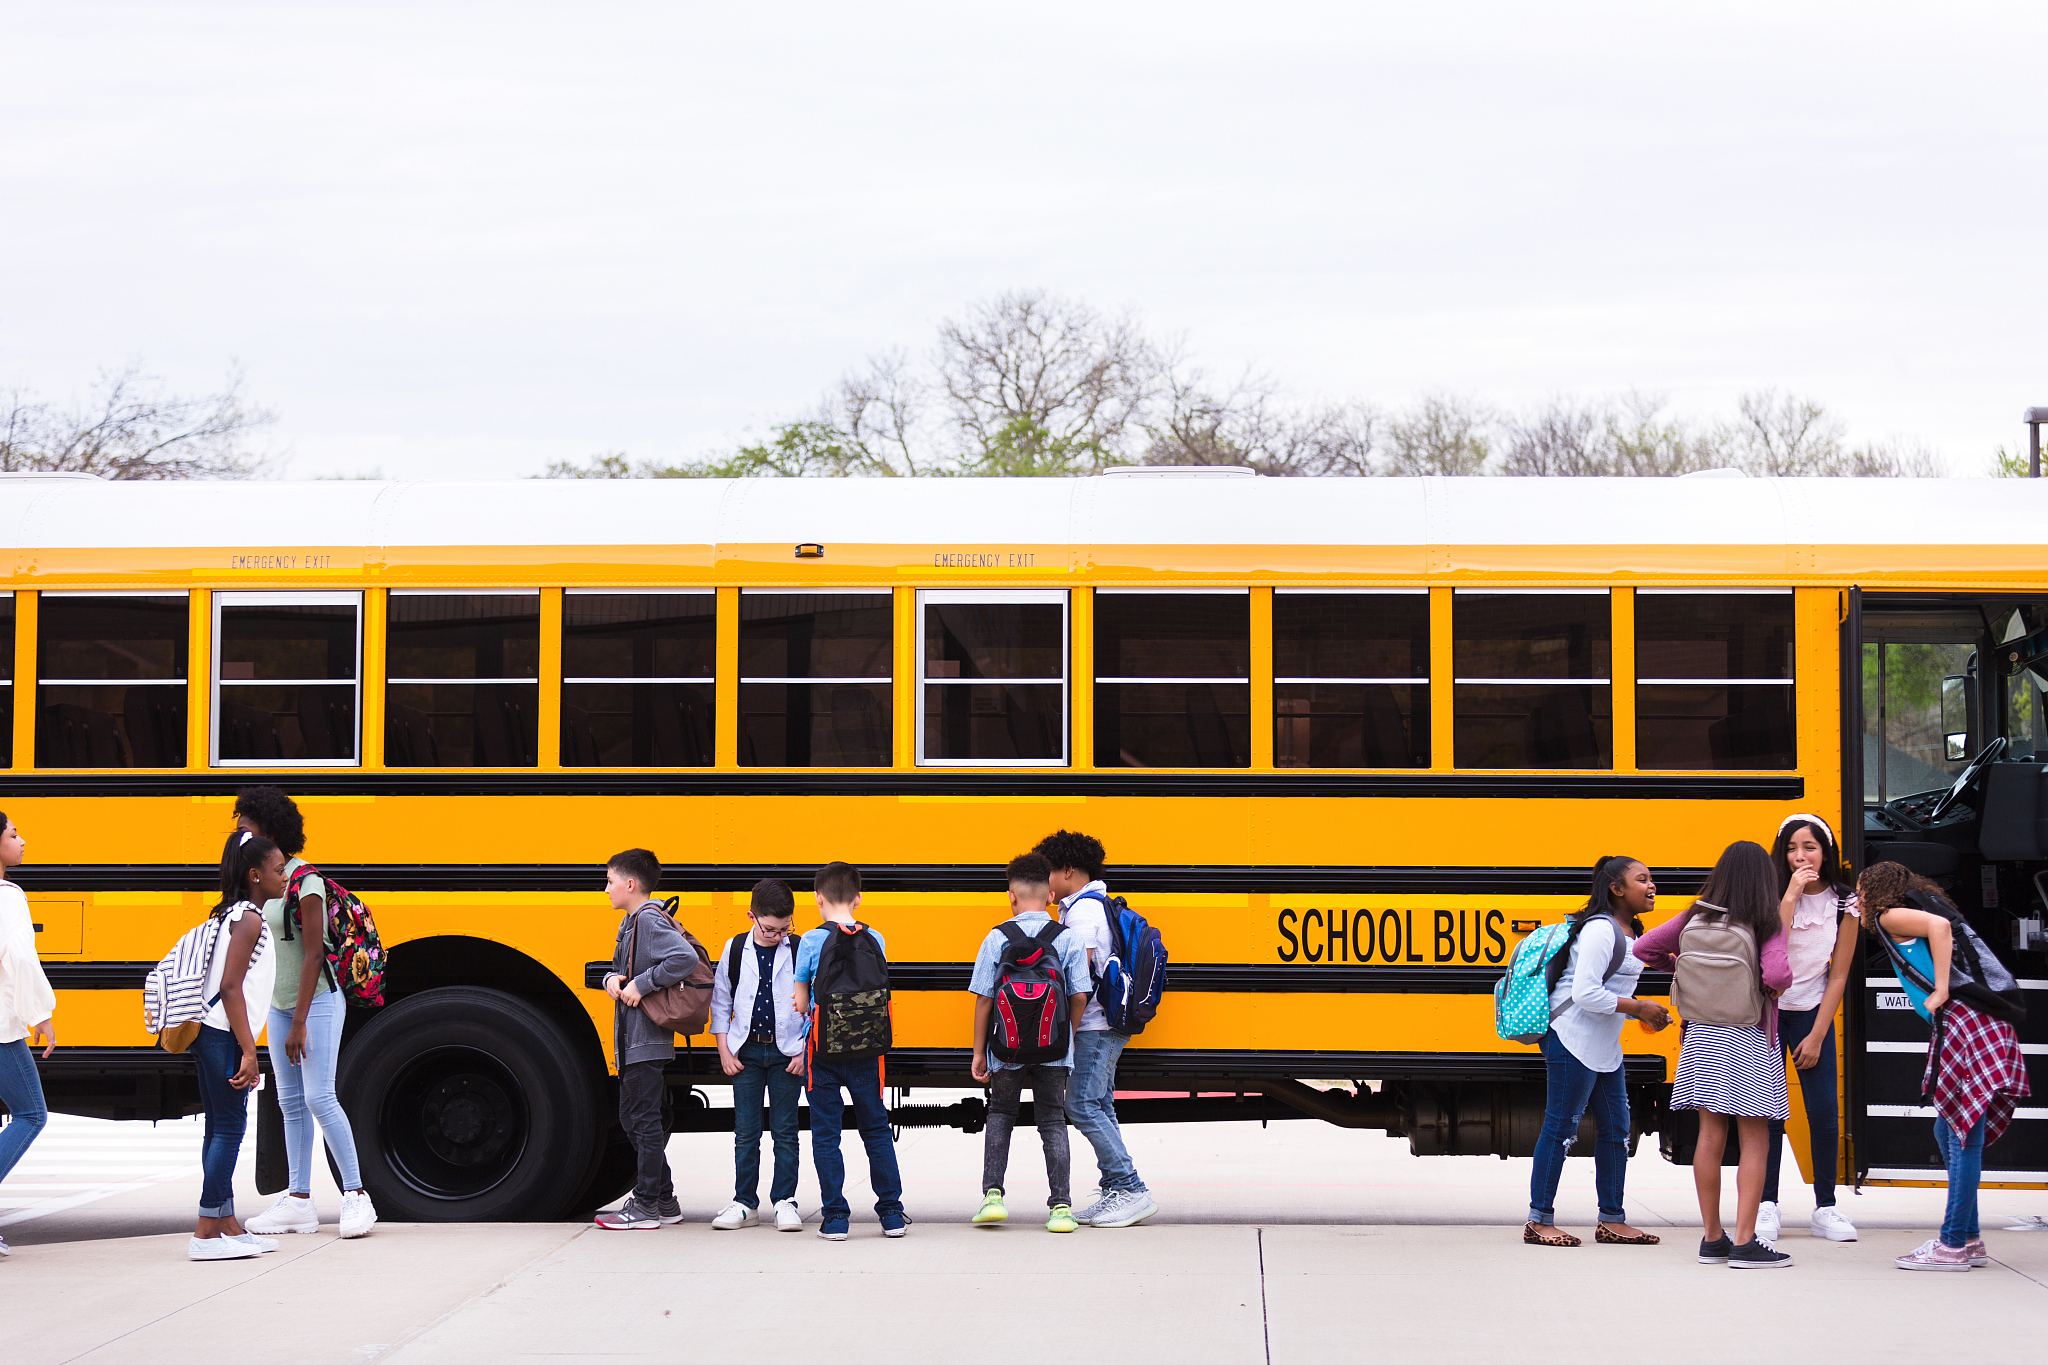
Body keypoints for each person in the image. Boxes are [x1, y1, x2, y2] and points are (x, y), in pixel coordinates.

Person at [1857, 863, 2031, 1272]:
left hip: (1965, 1021)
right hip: (1975, 1021)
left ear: (1880, 892)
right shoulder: (1897, 917)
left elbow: (1939, 927)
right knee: (1949, 1127)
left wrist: (1940, 989)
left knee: (1960, 1130)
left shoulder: (1889, 915)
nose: (1859, 900)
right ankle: (1969, 1239)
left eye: (1863, 891)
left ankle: (1952, 1244)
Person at [1634, 840, 1794, 1269]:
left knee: (1710, 1135)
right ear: (1765, 880)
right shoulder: (1766, 920)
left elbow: (1644, 948)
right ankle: (1745, 1242)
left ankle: (1712, 1238)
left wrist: (1686, 969)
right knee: (1755, 1139)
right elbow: (1778, 974)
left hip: (1701, 1037)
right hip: (1751, 1038)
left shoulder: (1696, 915)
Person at [233, 787, 376, 1240]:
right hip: (280, 1006)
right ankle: (298, 1201)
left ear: (268, 827)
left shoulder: (303, 881)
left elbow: (315, 954)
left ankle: (356, 1196)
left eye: (246, 823)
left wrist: (298, 1024)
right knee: (289, 1102)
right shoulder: (259, 880)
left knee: (319, 1097)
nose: (239, 830)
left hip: (316, 1004)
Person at [1523, 855, 1671, 1248]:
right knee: (1561, 1128)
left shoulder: (1631, 931)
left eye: (1651, 879)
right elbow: (1584, 992)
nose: (1652, 885)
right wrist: (1638, 1007)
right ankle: (1539, 1219)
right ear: (1616, 889)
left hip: (1603, 1046)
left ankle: (1611, 1219)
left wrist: (1643, 1009)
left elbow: (1611, 991)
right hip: (1571, 1038)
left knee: (1617, 1129)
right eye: (1643, 879)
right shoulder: (1601, 931)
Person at [1034, 829, 1157, 1229]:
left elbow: (1080, 977)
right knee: (1099, 1103)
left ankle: (1130, 1187)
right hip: (1104, 1023)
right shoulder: (1090, 905)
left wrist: (1065, 1031)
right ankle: (1116, 1192)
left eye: (1047, 872)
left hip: (1096, 1024)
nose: (1043, 881)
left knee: (1081, 1104)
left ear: (1067, 871)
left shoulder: (1084, 913)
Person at [968, 853, 1090, 1233]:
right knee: (1052, 1120)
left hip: (1005, 1050)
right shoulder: (1067, 938)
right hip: (1054, 1050)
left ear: (1012, 897)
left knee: (1001, 1114)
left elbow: (985, 998)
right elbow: (1080, 996)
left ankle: (992, 1196)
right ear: (1051, 895)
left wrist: (978, 1053)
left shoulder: (997, 937)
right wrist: (1064, 1038)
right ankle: (1062, 1208)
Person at [1756, 813, 1860, 1245]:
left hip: (1811, 1013)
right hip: (1768, 1012)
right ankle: (1766, 1204)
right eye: (1793, 848)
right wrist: (1792, 894)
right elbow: (1772, 942)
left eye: (1810, 847)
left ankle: (1826, 1206)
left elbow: (1838, 975)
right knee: (1767, 1114)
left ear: (1825, 851)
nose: (1801, 856)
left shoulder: (1845, 902)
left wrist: (1818, 1034)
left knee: (1822, 1110)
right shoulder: (1771, 895)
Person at [793, 863, 907, 1240]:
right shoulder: (878, 939)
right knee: (875, 1128)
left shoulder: (810, 941)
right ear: (858, 898)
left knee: (826, 1133)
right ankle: (891, 1214)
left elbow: (800, 1001)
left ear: (818, 898)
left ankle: (836, 1218)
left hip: (822, 1050)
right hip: (868, 1051)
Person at [188, 831, 281, 1261]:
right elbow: (230, 987)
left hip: (211, 1032)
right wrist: (250, 1050)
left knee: (218, 1127)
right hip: (223, 1033)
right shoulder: (249, 919)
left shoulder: (235, 913)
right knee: (229, 1128)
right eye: (279, 871)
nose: (285, 877)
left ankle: (226, 1224)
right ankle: (206, 1233)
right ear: (256, 875)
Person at [595, 849, 698, 1231]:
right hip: (633, 1041)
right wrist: (612, 980)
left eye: (610, 881)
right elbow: (622, 971)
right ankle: (665, 1201)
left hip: (646, 1040)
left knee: (644, 1121)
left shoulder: (649, 921)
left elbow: (683, 958)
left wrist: (644, 983)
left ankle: (646, 1205)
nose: (606, 889)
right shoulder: (633, 922)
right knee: (635, 1119)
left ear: (630, 884)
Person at [707, 878, 805, 1232]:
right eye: (769, 929)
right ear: (752, 916)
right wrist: (724, 1049)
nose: (778, 936)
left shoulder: (798, 949)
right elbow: (720, 1003)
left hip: (786, 1052)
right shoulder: (734, 949)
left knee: (785, 1130)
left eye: (784, 929)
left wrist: (804, 1051)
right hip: (745, 1051)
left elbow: (815, 1003)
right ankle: (745, 1202)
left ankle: (785, 1201)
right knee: (746, 1131)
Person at [0, 814, 56, 1261]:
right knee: (31, 1113)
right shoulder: (9, 896)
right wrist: (41, 1015)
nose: (22, 840)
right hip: (1, 1029)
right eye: (14, 834)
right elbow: (19, 957)